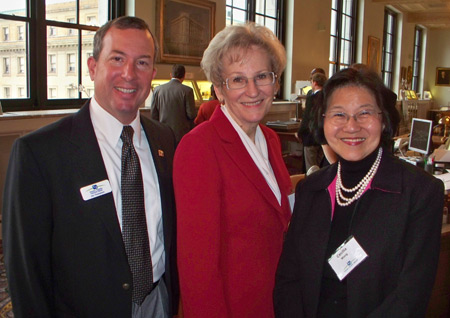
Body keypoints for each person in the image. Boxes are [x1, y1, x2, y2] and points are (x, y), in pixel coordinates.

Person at [2, 16, 179, 318]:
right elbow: (26, 269)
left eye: (142, 63)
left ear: (152, 74)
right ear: (93, 67)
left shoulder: (164, 139)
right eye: (117, 59)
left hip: (158, 302)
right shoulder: (40, 153)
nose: (129, 74)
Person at [274, 67, 444, 317]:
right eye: (339, 114)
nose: (351, 126)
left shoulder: (419, 192)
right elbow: (289, 277)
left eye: (364, 113)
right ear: (324, 120)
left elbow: (410, 297)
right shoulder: (311, 189)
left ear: (383, 119)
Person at [173, 23, 292, 318]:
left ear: (275, 83)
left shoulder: (271, 140)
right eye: (238, 79)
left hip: (275, 302)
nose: (253, 90)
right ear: (219, 89)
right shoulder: (199, 148)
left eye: (262, 76)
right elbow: (197, 268)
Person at [151, 64, 197, 143]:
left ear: (171, 75)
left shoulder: (157, 90)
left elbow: (154, 114)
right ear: (184, 76)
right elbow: (191, 114)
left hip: (163, 132)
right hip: (182, 134)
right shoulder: (187, 90)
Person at [296, 72, 327, 172]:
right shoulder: (328, 97)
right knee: (321, 166)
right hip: (323, 135)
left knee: (311, 168)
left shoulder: (311, 98)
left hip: (310, 136)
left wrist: (300, 133)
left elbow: (307, 117)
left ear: (314, 82)